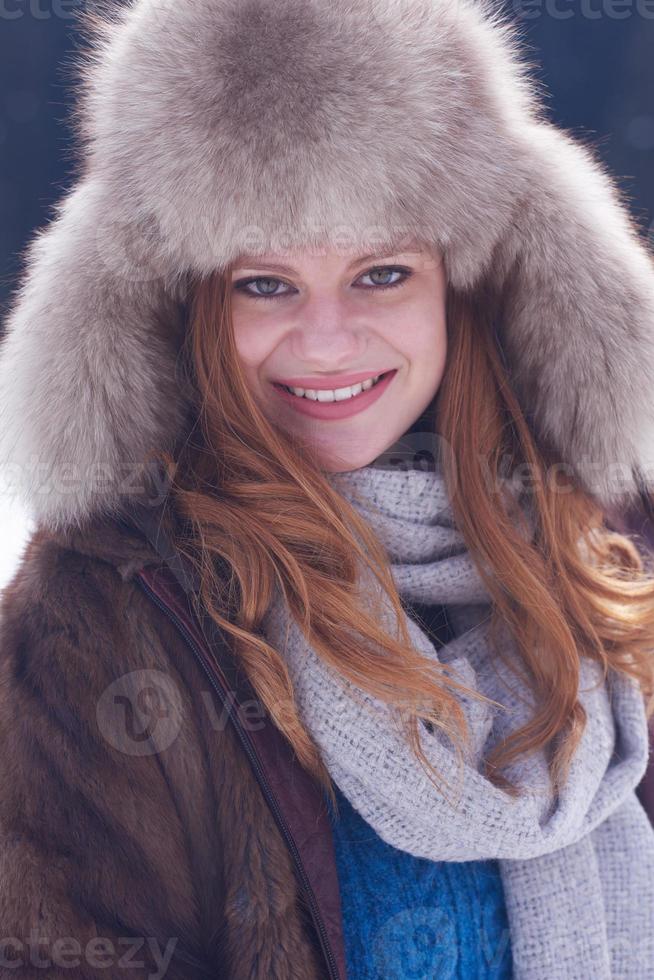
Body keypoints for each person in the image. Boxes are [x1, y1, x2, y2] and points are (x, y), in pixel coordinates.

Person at [1, 0, 654, 977]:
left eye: (381, 271)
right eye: (265, 282)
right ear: (187, 301)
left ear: (463, 286)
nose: (327, 342)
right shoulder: (105, 610)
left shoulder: (610, 561)